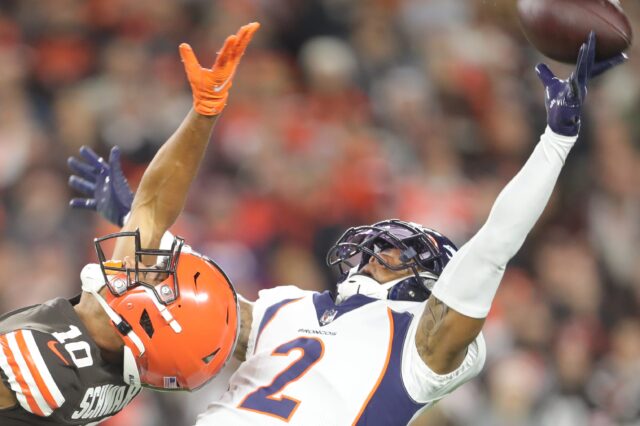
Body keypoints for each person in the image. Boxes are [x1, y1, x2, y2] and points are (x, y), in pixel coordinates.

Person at [69, 34, 625, 425]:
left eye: (399, 253)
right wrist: (136, 223)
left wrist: (556, 140)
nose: (379, 250)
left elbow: (492, 247)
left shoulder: (421, 345)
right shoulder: (289, 307)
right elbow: (195, 302)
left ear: (431, 282)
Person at [0, 22, 260, 425]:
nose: (151, 264)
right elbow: (153, 208)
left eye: (158, 279)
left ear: (148, 320)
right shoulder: (132, 355)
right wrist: (205, 111)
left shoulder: (45, 360)